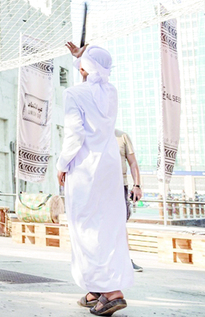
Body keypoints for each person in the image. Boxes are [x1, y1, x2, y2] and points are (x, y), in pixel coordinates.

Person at [58, 42, 133, 316]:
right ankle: (97, 289)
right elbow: (94, 83)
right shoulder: (111, 92)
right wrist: (83, 60)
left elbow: (74, 135)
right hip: (110, 168)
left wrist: (61, 164)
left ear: (83, 69)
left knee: (86, 228)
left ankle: (111, 292)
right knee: (108, 226)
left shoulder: (72, 94)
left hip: (85, 168)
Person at [115, 129, 144, 272]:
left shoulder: (122, 136)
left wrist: (137, 185)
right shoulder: (93, 134)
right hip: (100, 187)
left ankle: (125, 259)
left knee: (120, 224)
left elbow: (133, 163)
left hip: (120, 186)